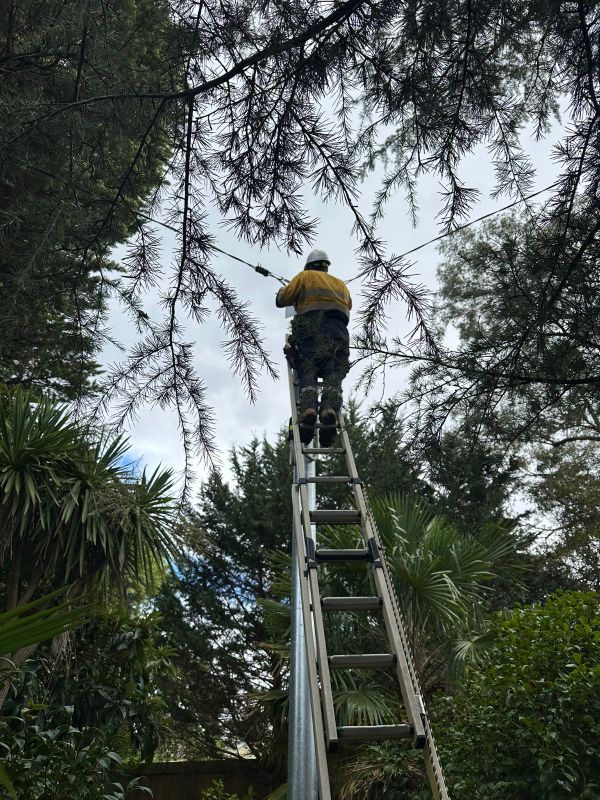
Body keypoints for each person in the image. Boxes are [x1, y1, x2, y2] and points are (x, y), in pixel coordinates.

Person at [276, 248, 351, 446]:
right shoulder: (341, 285)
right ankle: (329, 410)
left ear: (309, 266)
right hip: (338, 336)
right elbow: (347, 307)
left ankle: (309, 409)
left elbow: (283, 300)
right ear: (326, 267)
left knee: (307, 370)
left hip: (311, 334)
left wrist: (283, 291)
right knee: (333, 376)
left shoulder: (304, 277)